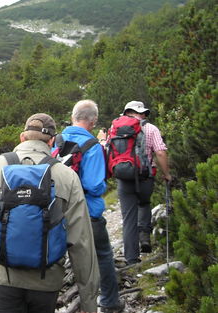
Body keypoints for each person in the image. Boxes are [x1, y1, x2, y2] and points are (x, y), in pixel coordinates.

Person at [0, 113, 99, 313]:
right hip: (45, 280)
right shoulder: (66, 176)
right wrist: (88, 301)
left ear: (22, 137)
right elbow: (81, 242)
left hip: (1, 278)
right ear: (52, 141)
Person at [59, 100, 124, 312]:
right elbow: (94, 186)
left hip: (57, 211)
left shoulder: (56, 141)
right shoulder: (93, 146)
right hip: (88, 212)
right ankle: (109, 302)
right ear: (93, 121)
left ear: (72, 117)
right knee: (103, 256)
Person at [115, 101, 171, 265]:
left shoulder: (117, 128)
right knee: (144, 203)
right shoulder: (151, 128)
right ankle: (144, 236)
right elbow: (160, 152)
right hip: (146, 176)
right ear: (143, 114)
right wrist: (166, 173)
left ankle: (131, 259)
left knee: (128, 218)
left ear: (126, 113)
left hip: (124, 177)